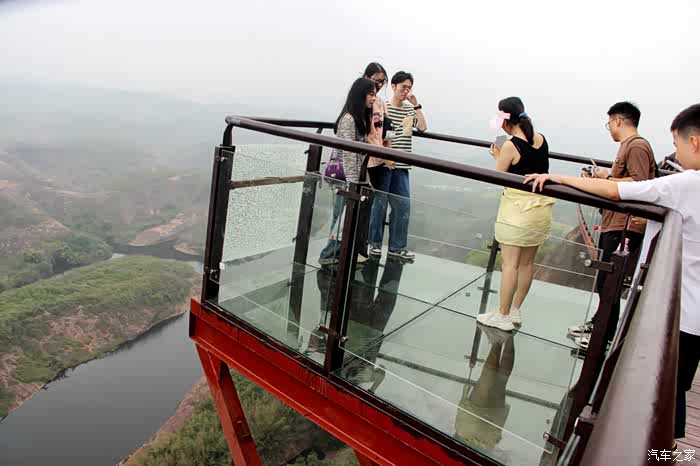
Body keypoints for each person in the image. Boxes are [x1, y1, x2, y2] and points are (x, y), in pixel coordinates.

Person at [524, 103, 700, 452]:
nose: (676, 154)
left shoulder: (689, 183)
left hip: (678, 314)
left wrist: (560, 178)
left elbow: (622, 192)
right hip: (693, 315)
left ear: (694, 142)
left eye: (677, 146)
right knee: (674, 391)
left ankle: (660, 455)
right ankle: (665, 452)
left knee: (660, 395)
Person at [567, 102, 656, 348]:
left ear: (617, 120)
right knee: (605, 280)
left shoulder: (637, 146)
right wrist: (602, 178)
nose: (609, 129)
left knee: (610, 281)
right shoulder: (629, 146)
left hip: (625, 224)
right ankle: (599, 324)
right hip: (614, 222)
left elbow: (639, 184)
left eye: (609, 123)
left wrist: (606, 178)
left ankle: (603, 337)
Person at [477, 97, 555, 332]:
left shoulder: (511, 146)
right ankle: (514, 310)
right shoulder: (541, 139)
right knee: (527, 263)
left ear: (505, 121)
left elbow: (500, 175)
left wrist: (497, 156)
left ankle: (502, 315)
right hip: (540, 209)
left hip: (518, 210)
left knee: (510, 264)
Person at [367, 70, 427, 261]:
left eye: (409, 88)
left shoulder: (410, 109)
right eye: (403, 87)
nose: (406, 91)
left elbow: (423, 127)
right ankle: (374, 244)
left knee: (402, 206)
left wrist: (416, 104)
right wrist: (384, 157)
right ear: (393, 86)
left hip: (402, 165)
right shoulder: (383, 106)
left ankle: (396, 247)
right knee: (379, 205)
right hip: (384, 163)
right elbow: (376, 134)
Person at [318, 77, 377, 266]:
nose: (374, 98)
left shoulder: (358, 118)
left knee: (345, 217)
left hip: (352, 177)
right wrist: (354, 184)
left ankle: (340, 254)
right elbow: (349, 153)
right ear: (360, 95)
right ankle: (328, 255)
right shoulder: (349, 119)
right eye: (371, 94)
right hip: (346, 179)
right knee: (343, 218)